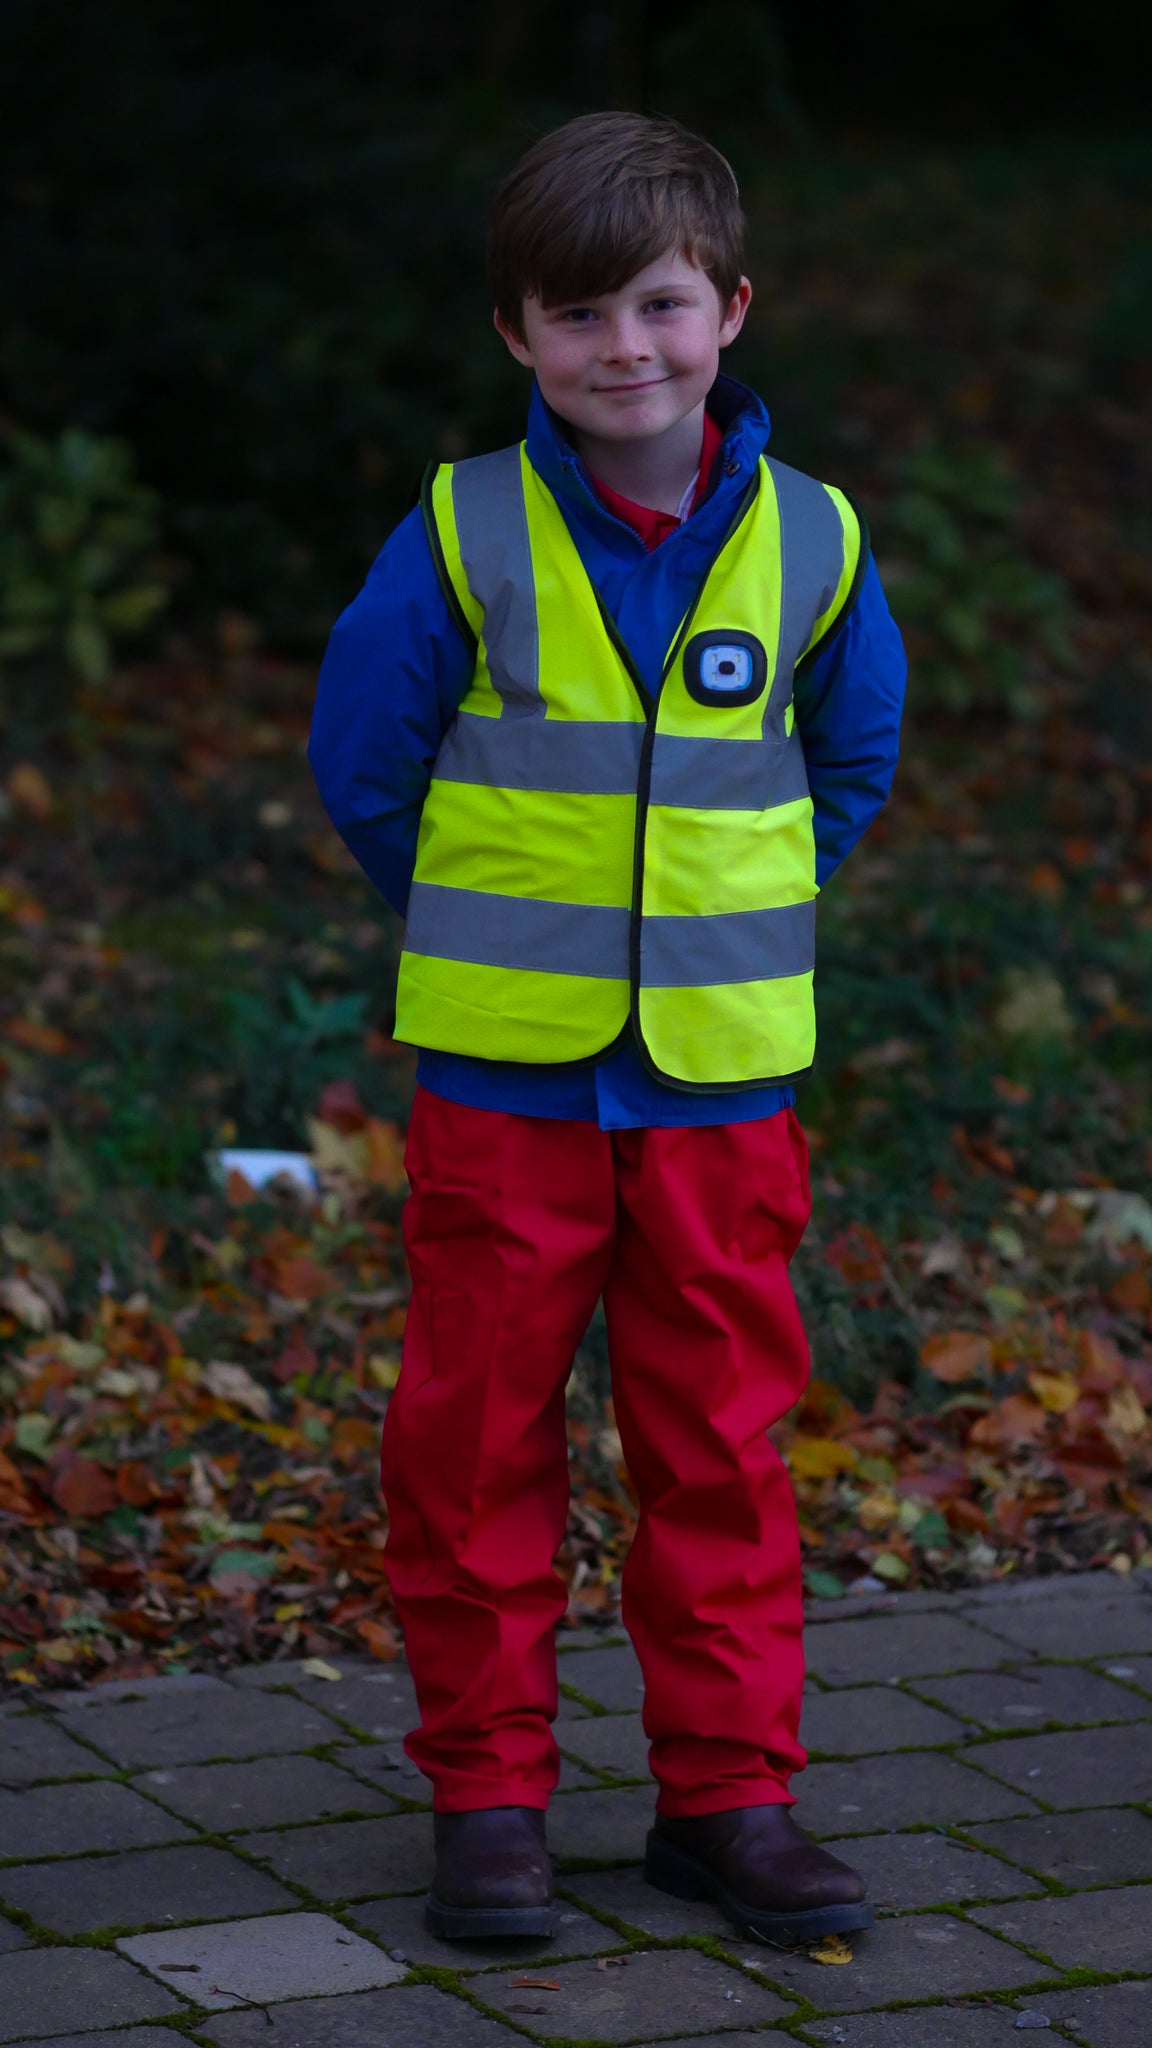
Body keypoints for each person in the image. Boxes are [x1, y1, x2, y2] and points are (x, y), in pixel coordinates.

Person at [309, 110, 905, 1949]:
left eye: (656, 305)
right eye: (576, 316)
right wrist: (519, 924)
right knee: (474, 1440)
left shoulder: (812, 539)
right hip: (508, 1081)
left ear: (729, 310)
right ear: (518, 336)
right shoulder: (461, 531)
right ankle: (489, 1802)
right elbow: (367, 768)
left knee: (716, 1446)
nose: (621, 350)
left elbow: (851, 763)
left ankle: (727, 1802)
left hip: (722, 1088)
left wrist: (706, 927)